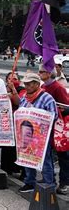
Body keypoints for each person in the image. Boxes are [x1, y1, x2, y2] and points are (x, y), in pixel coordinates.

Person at [18, 73, 58, 193]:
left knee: (45, 161)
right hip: (26, 136)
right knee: (28, 159)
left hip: (42, 138)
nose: (27, 86)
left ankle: (49, 184)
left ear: (36, 84)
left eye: (29, 84)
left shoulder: (47, 98)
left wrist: (38, 119)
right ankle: (29, 182)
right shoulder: (25, 97)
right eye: (25, 84)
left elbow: (54, 116)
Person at [38, 65, 69, 195]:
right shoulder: (43, 87)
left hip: (59, 128)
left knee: (63, 157)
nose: (40, 74)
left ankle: (64, 183)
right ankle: (49, 178)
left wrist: (59, 111)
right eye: (39, 71)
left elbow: (67, 107)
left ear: (50, 73)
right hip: (47, 126)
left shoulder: (57, 87)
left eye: (42, 72)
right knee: (48, 154)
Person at [1, 72, 26, 177]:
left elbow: (19, 103)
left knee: (19, 147)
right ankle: (6, 169)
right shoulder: (2, 89)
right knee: (7, 147)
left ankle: (20, 170)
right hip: (6, 122)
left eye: (15, 79)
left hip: (19, 123)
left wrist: (13, 90)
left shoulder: (22, 90)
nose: (12, 81)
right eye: (10, 79)